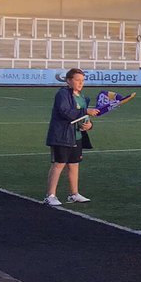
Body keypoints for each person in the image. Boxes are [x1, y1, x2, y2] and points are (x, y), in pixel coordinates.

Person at [43, 68, 98, 207]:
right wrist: (86, 111)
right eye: (77, 80)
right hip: (62, 135)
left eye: (82, 80)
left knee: (74, 165)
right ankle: (50, 195)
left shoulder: (82, 97)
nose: (81, 83)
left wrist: (89, 125)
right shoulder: (62, 94)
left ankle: (74, 194)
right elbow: (65, 112)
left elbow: (83, 117)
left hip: (76, 136)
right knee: (59, 164)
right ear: (68, 81)